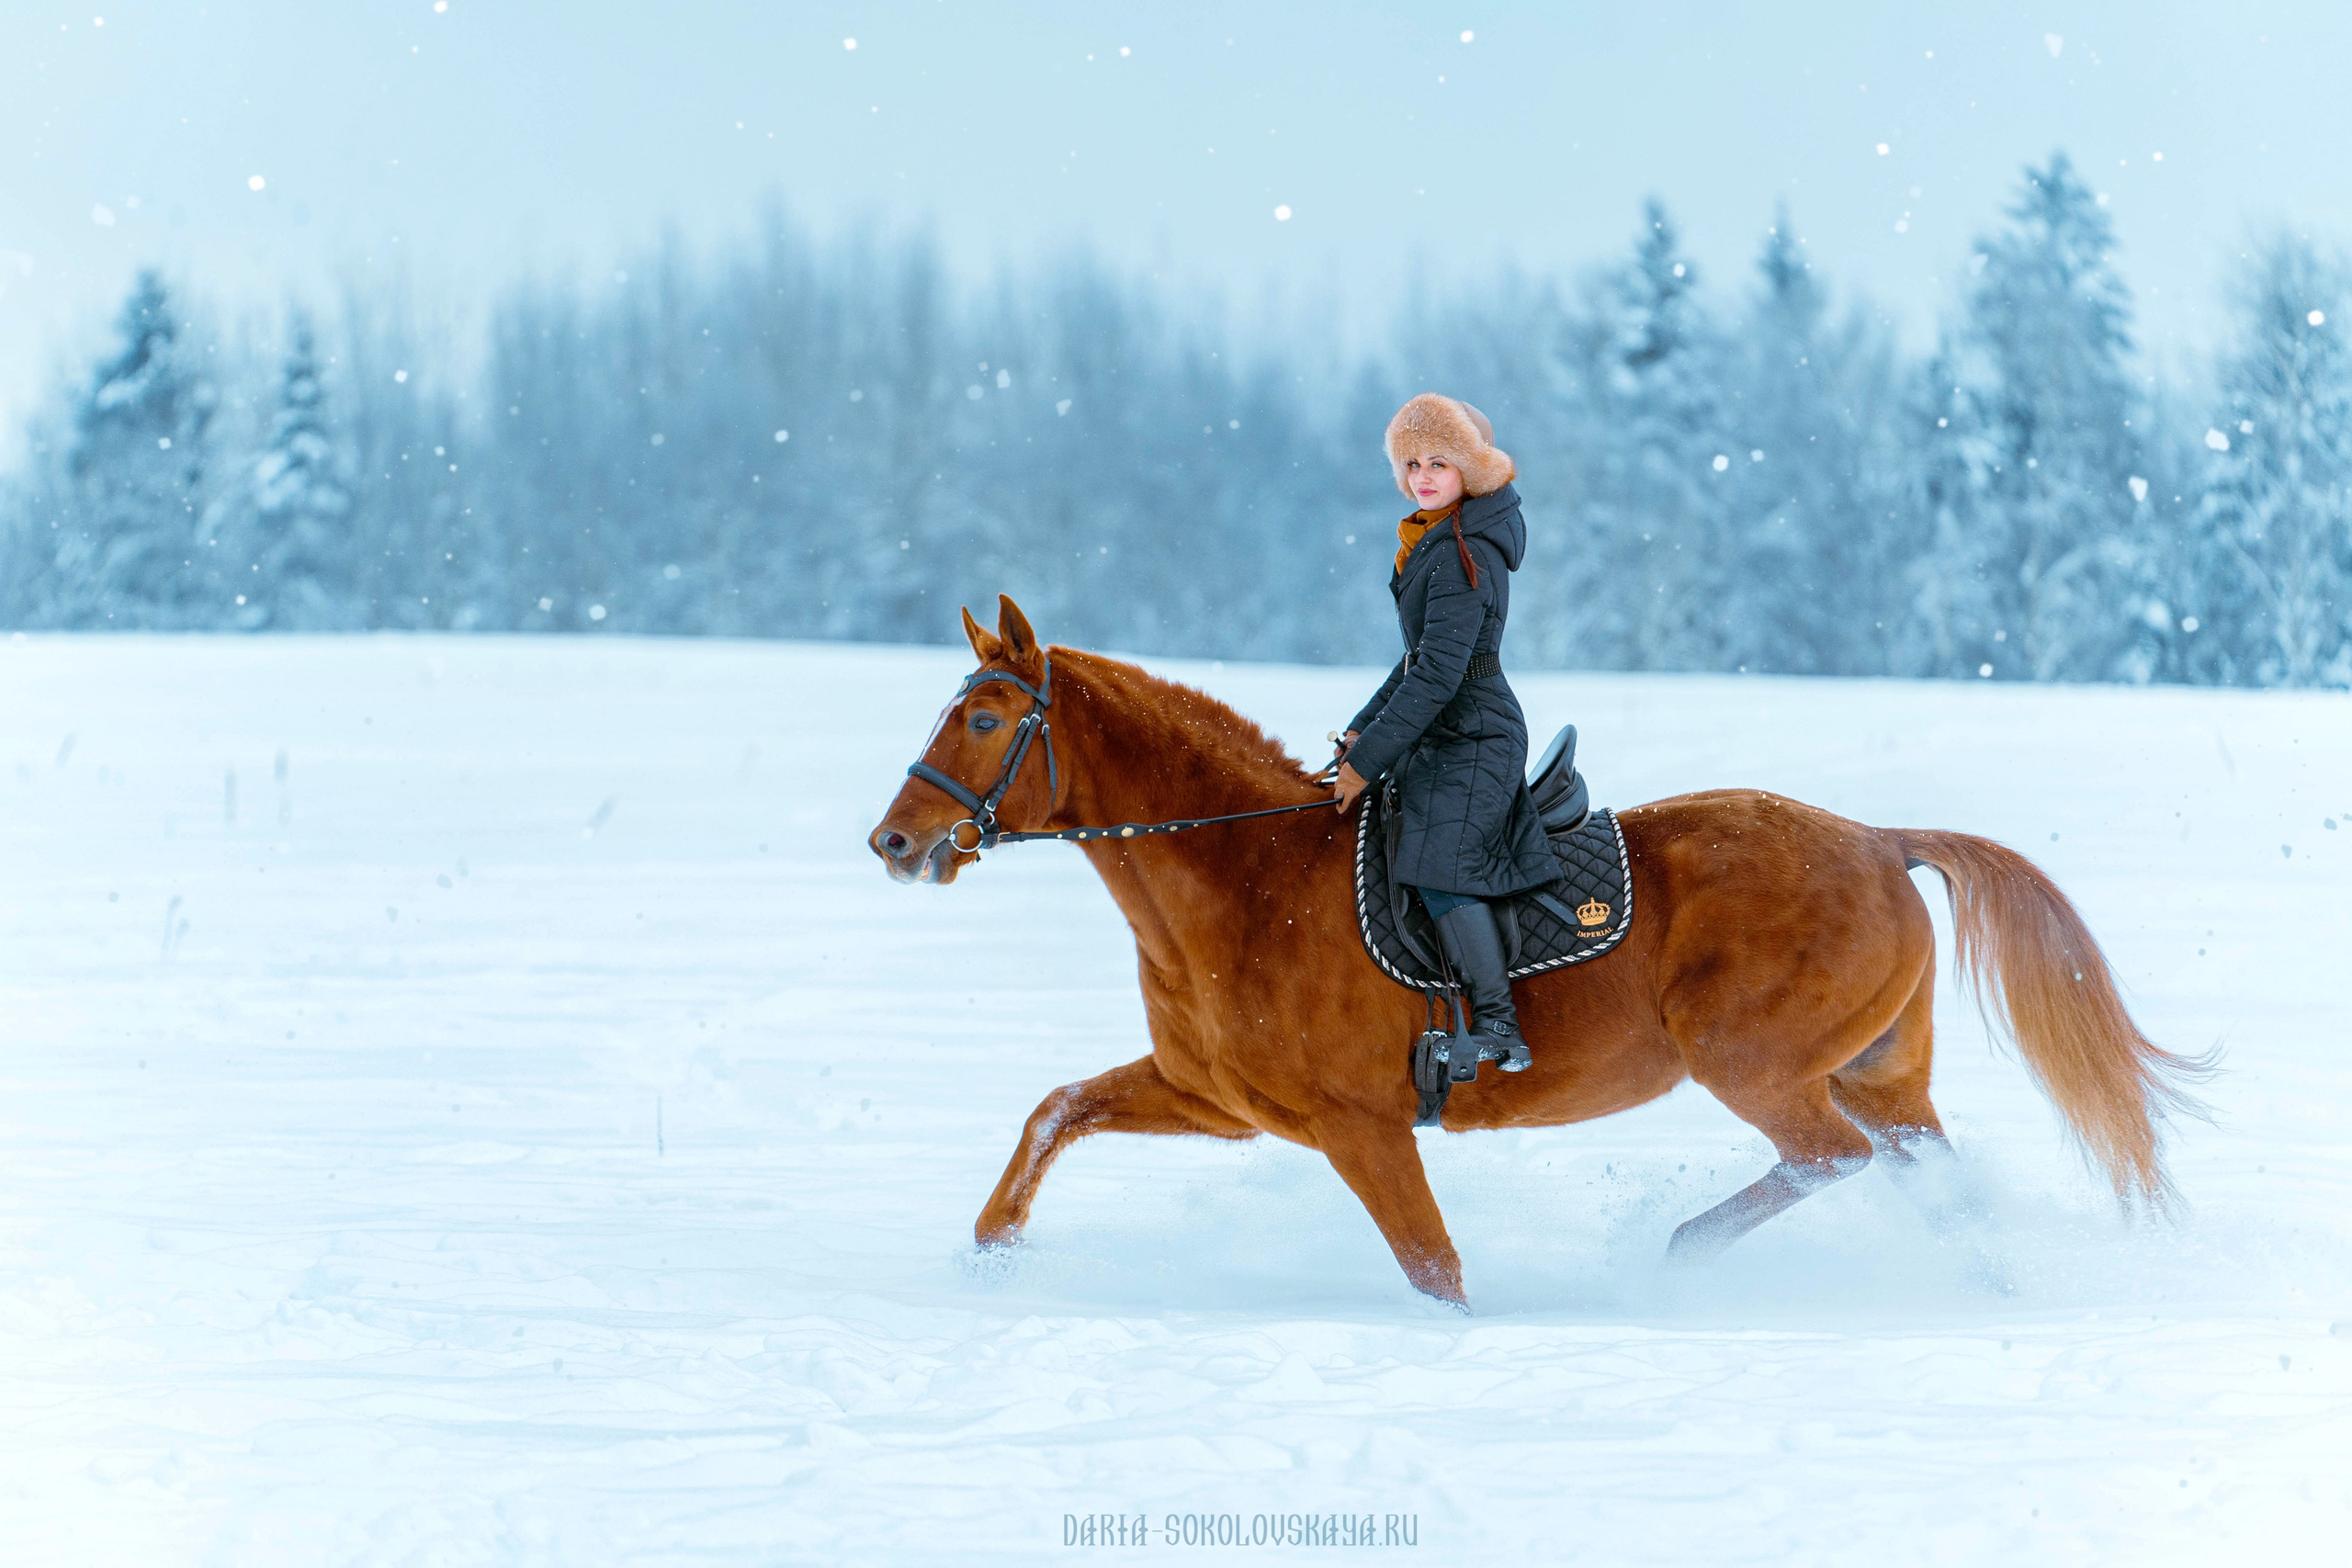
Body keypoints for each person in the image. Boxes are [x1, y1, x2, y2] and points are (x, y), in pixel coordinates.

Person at [1333, 394, 1557, 1072]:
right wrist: (1362, 728)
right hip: (1447, 727)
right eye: (1412, 463)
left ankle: (1499, 1024)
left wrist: (1368, 761)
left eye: (1439, 462)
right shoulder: (1435, 537)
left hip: (1476, 734)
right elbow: (1418, 659)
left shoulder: (1464, 551)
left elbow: (1437, 676)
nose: (1423, 476)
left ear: (1471, 468)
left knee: (1441, 863)